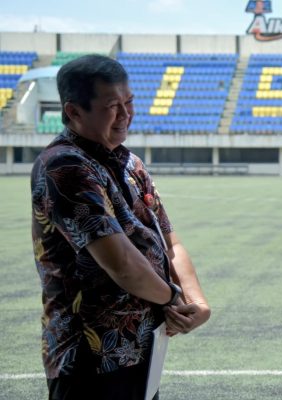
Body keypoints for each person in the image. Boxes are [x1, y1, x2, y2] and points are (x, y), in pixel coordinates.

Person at [30, 54, 210, 400]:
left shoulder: (130, 162)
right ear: (74, 112)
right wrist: (173, 298)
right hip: (89, 355)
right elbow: (122, 264)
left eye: (129, 102)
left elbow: (169, 241)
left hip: (141, 347)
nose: (126, 115)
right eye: (113, 106)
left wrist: (197, 302)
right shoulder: (64, 166)